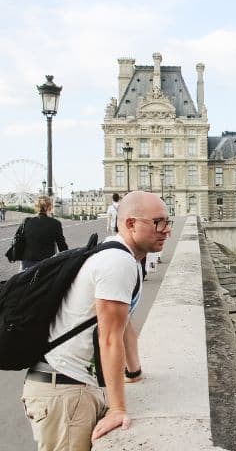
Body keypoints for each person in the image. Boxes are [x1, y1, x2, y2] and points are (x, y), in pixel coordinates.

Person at [21, 191, 172, 450]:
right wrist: (118, 408)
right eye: (158, 222)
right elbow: (110, 337)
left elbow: (125, 326)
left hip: (64, 384)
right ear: (130, 223)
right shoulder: (118, 261)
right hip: (65, 389)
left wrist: (134, 372)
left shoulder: (125, 257)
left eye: (168, 222)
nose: (166, 230)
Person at [21, 196, 68, 270]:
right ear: (50, 207)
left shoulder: (26, 221)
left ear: (36, 207)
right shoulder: (55, 223)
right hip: (47, 264)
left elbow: (22, 243)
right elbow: (62, 246)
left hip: (27, 263)